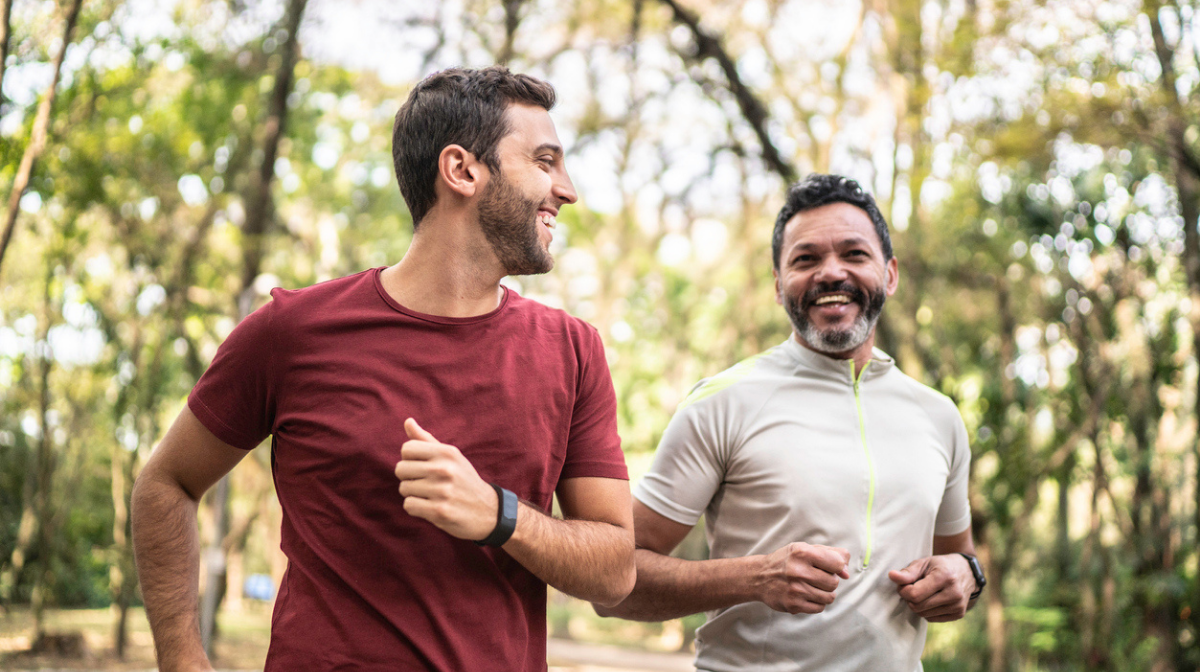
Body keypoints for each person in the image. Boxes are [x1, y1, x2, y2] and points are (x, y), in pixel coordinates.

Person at [131, 66, 636, 672]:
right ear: (462, 170)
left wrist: (499, 515)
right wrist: (183, 661)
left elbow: (615, 569)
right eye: (545, 161)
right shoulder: (293, 332)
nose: (568, 189)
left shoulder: (573, 351)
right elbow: (165, 484)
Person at [596, 174, 985, 671]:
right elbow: (610, 585)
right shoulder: (723, 401)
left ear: (889, 275)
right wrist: (752, 578)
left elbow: (961, 561)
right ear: (779, 287)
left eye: (854, 254)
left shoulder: (939, 415)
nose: (831, 273)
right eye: (806, 259)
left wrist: (967, 576)